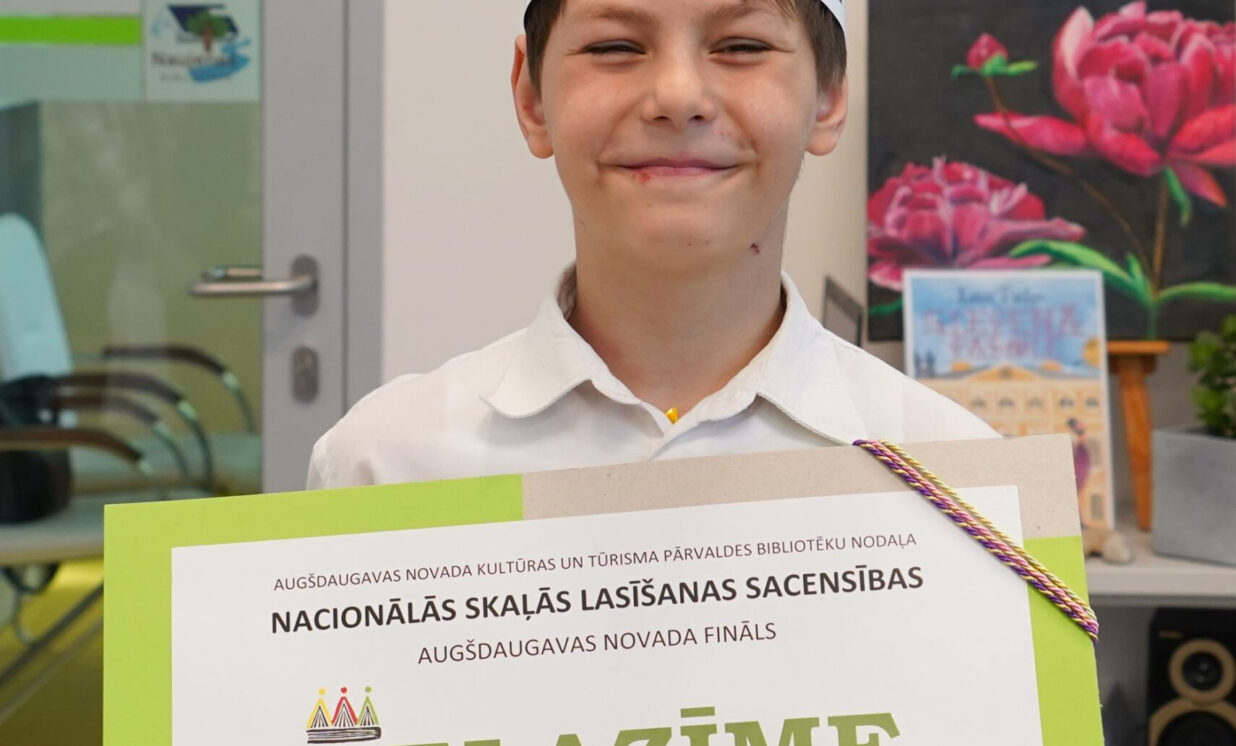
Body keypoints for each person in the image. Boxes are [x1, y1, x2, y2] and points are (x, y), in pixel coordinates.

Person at [307, 0, 997, 490]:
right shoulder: (386, 465)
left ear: (829, 96)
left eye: (742, 46)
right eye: (615, 47)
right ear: (531, 97)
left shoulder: (960, 477)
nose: (677, 95)